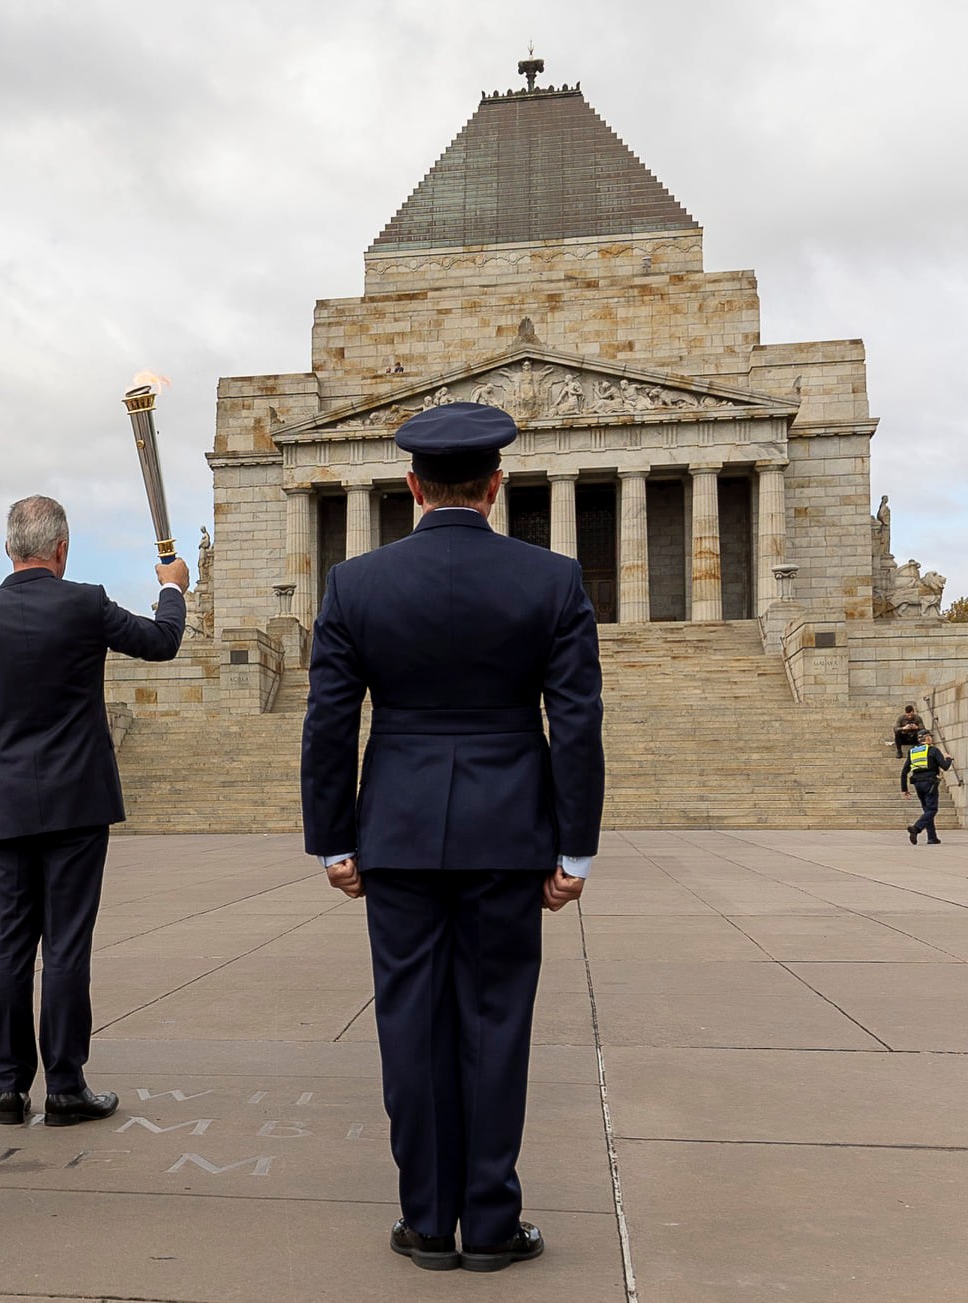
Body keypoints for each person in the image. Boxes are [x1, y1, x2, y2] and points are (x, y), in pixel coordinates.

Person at [301, 402, 603, 1275]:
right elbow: (575, 723)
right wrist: (571, 847)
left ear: (410, 486)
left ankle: (426, 1222)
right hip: (510, 832)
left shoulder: (354, 583)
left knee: (408, 1025)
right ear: (495, 486)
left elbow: (328, 723)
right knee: (495, 1025)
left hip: (393, 832)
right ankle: (490, 1221)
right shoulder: (551, 580)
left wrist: (333, 839)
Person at [0, 496, 188, 1128]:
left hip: (4, 804)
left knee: (7, 945)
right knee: (65, 944)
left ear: (10, 548)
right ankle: (65, 1084)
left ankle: (8, 1087)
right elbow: (163, 643)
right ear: (61, 549)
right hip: (77, 801)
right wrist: (171, 589)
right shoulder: (85, 603)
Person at [902, 729, 953, 845]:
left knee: (927, 810)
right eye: (930, 736)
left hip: (917, 784)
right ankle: (916, 828)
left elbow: (904, 771)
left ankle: (932, 837)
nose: (931, 738)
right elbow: (945, 766)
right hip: (930, 783)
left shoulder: (912, 751)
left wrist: (904, 789)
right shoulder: (933, 750)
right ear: (927, 738)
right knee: (932, 809)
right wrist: (948, 759)